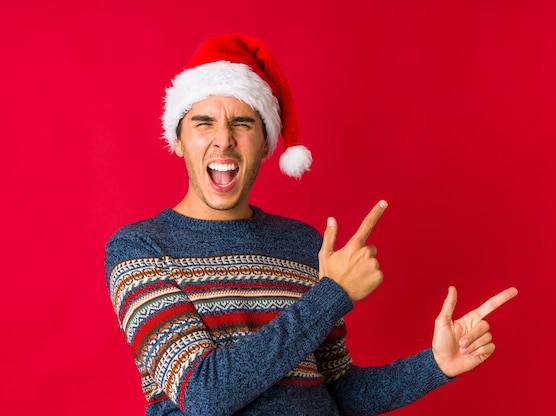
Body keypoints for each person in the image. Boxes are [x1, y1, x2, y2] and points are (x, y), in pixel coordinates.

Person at [105, 34, 518, 416]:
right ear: (177, 140)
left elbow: (336, 390)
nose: (224, 139)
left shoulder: (303, 244)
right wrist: (331, 294)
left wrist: (434, 364)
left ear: (266, 143)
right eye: (203, 122)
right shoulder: (140, 248)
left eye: (242, 123)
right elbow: (205, 394)